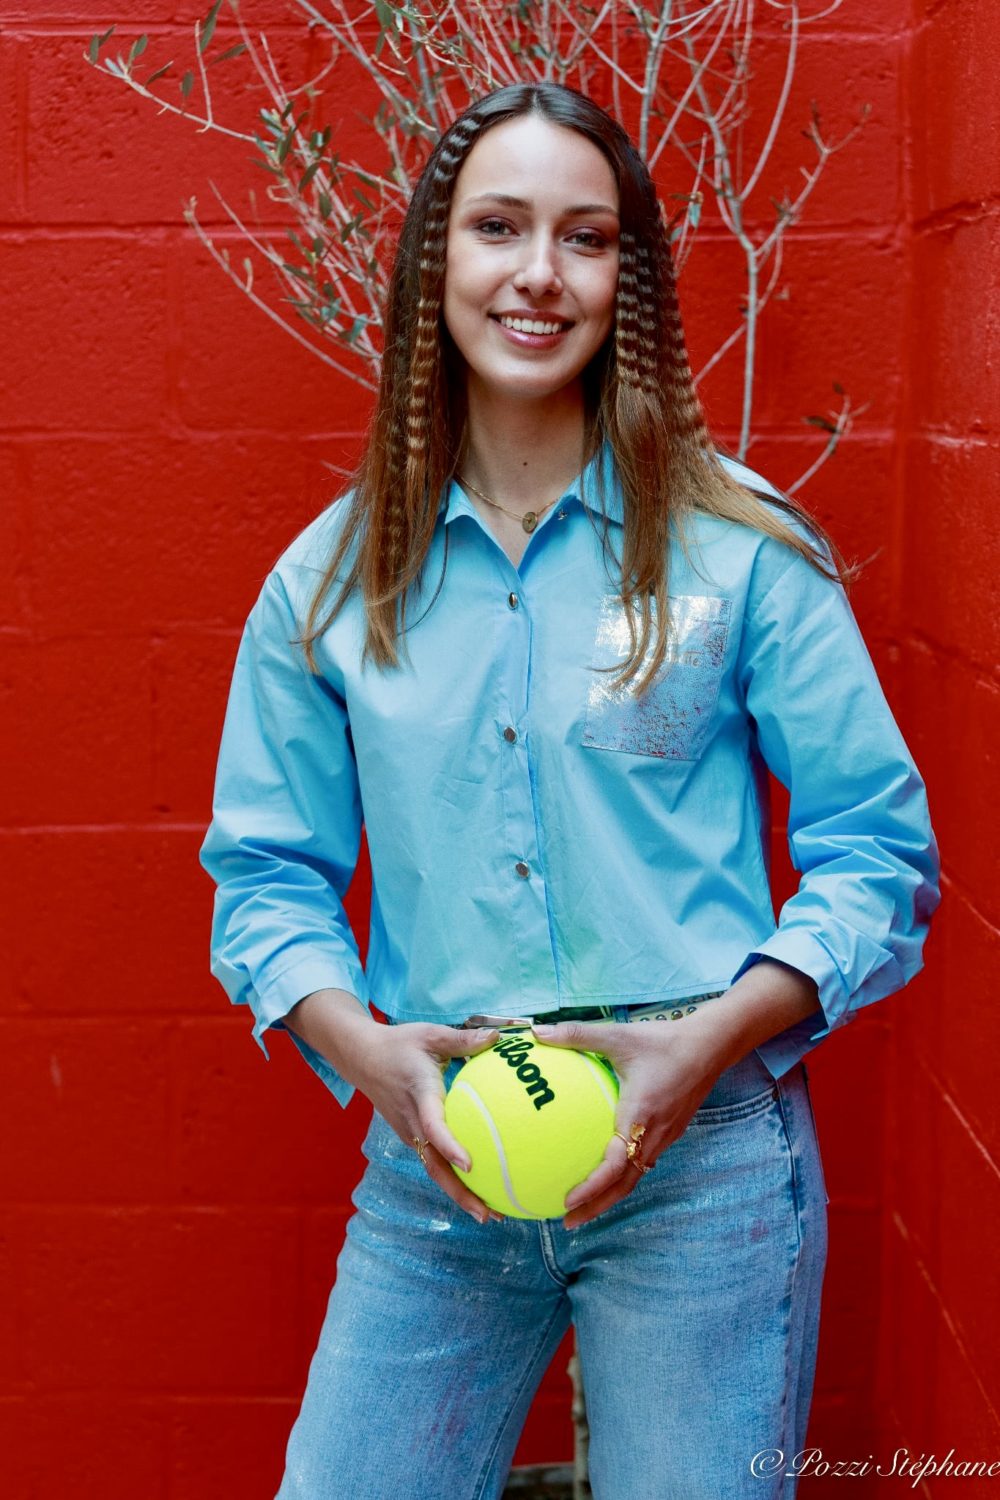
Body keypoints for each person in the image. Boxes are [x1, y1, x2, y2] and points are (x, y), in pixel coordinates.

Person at [199, 82, 940, 1500]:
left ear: (626, 283)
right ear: (436, 263)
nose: (539, 273)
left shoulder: (743, 551)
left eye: (585, 238)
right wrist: (366, 1053)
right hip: (440, 1151)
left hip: (704, 1160)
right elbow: (266, 875)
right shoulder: (328, 583)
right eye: (498, 227)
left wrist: (713, 1040)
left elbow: (877, 852)